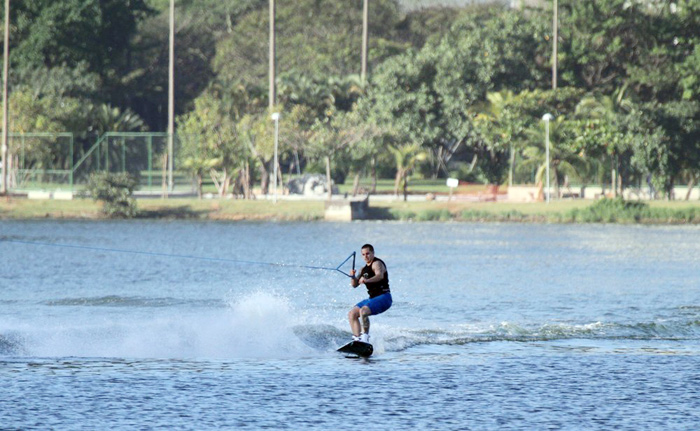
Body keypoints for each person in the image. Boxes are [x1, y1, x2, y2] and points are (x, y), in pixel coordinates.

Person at [348, 244, 392, 344]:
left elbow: (379, 276)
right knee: (352, 314)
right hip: (372, 299)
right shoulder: (362, 270)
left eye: (368, 253)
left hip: (384, 297)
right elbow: (354, 285)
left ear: (373, 253)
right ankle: (357, 339)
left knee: (363, 311)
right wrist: (353, 276)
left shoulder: (377, 263)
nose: (365, 256)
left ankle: (365, 338)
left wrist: (366, 280)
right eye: (363, 254)